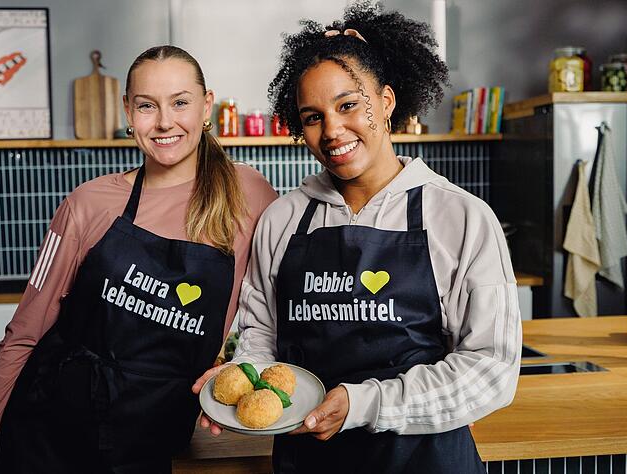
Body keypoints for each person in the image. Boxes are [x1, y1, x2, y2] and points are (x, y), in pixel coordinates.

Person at [193, 4, 522, 473]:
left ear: (386, 102)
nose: (332, 131)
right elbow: (260, 337)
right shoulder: (283, 219)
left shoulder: (460, 217)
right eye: (312, 117)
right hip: (309, 460)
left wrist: (364, 404)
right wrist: (242, 380)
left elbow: (492, 370)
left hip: (423, 461)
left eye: (348, 105)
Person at [0, 45, 278, 473]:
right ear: (128, 110)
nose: (164, 121)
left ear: (206, 106)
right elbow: (22, 337)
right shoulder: (88, 204)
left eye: (180, 102)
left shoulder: (250, 195)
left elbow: (275, 307)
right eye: (147, 105)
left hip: (153, 439)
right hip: (50, 435)